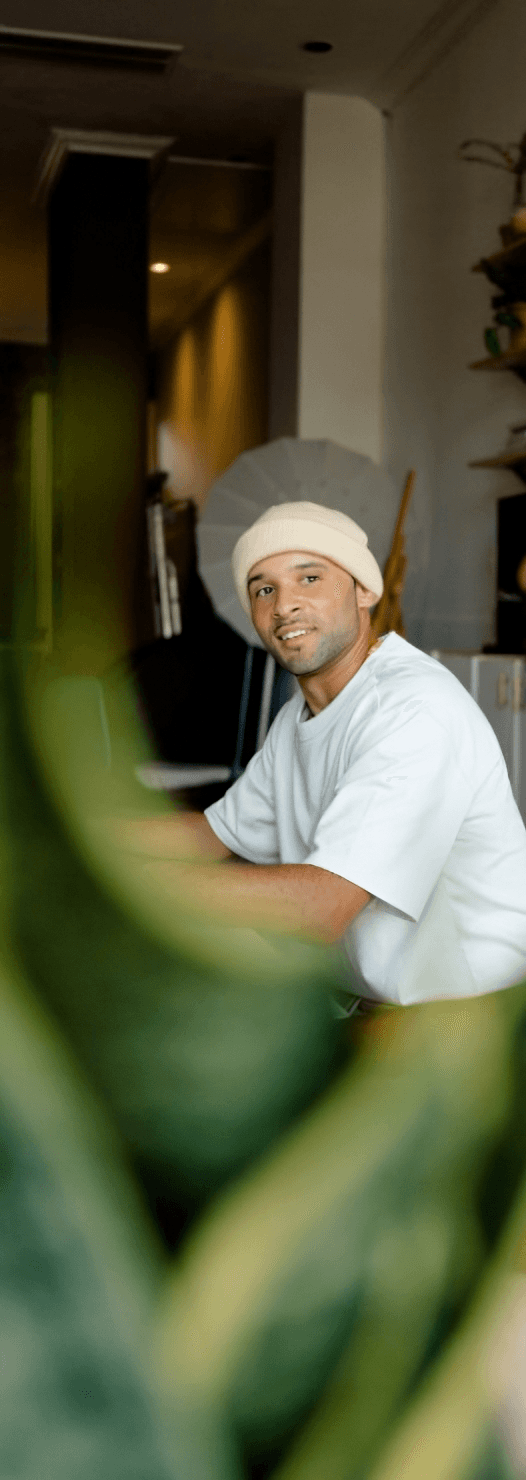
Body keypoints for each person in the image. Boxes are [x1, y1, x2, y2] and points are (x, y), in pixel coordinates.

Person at [112, 501, 526, 1009]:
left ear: (364, 591)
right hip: (368, 1003)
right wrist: (67, 835)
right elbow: (214, 835)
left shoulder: (414, 710)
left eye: (309, 578)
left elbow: (320, 906)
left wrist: (118, 883)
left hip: (472, 1019)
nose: (284, 604)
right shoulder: (297, 718)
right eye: (264, 589)